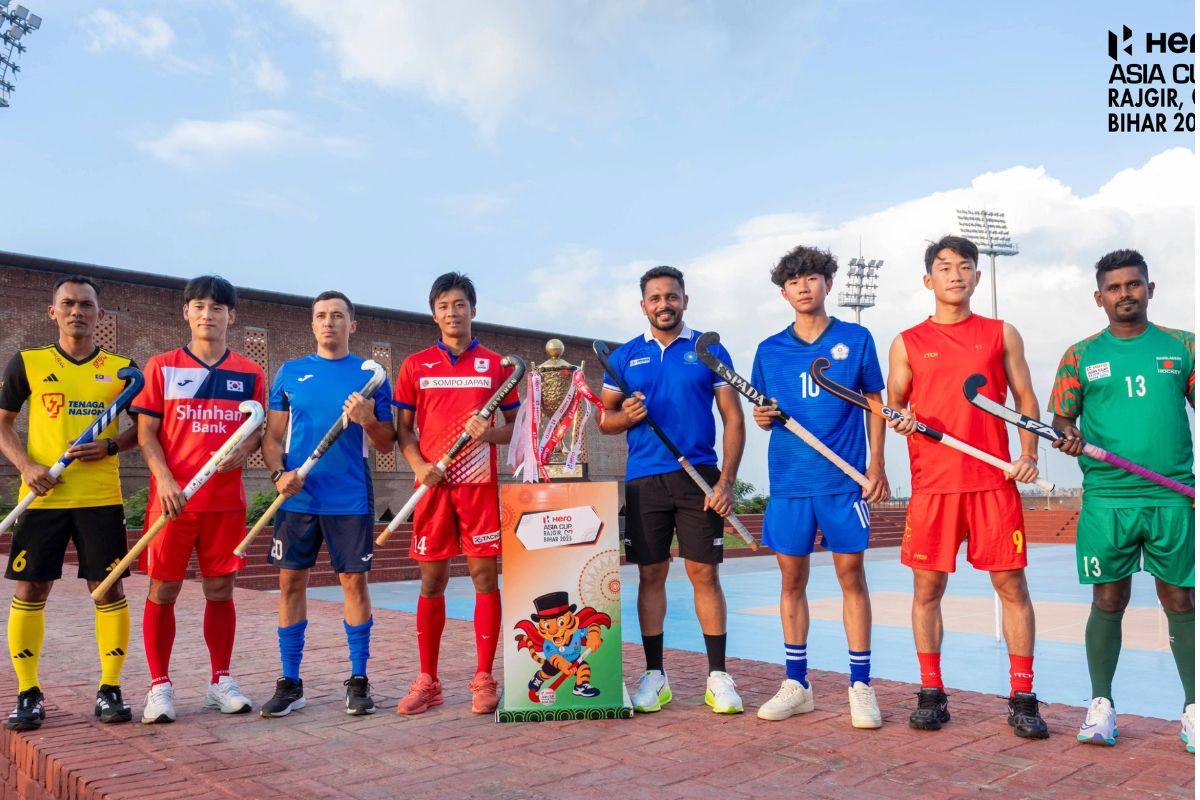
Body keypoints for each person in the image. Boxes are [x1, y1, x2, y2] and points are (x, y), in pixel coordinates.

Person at [887, 236, 1048, 738]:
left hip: (992, 481)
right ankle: (931, 693)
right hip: (933, 486)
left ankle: (1023, 696)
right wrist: (903, 419)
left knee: (1012, 587)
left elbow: (1024, 398)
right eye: (944, 267)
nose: (955, 275)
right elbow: (895, 405)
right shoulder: (907, 341)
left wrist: (1028, 454)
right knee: (927, 589)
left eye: (965, 267)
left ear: (978, 276)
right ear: (927, 280)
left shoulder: (1002, 334)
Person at [1047, 249, 1195, 752]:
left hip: (1171, 497)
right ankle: (1102, 706)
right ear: (1099, 297)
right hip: (1108, 498)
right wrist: (1065, 435)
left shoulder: (1183, 346)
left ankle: (1193, 709)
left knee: (1179, 599)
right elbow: (1062, 420)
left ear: (1150, 289)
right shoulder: (1079, 355)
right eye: (1114, 287)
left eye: (1134, 285)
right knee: (1109, 599)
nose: (1125, 294)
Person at [749, 246, 889, 728]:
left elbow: (875, 404)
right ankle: (797, 683)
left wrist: (877, 465)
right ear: (783, 291)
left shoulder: (856, 337)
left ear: (828, 283)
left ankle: (861, 686)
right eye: (793, 281)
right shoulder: (769, 350)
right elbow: (762, 412)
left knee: (852, 578)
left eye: (812, 277)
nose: (803, 287)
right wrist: (763, 416)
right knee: (791, 581)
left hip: (844, 482)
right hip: (789, 482)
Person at [600, 265, 746, 714]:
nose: (664, 304)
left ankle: (718, 676)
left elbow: (734, 419)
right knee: (651, 574)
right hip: (645, 479)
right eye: (655, 298)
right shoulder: (624, 356)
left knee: (705, 574)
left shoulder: (708, 349)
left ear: (685, 300)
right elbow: (607, 421)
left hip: (698, 476)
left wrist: (727, 481)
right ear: (643, 305)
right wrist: (629, 416)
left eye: (672, 296)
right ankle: (654, 675)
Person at [0, 276, 140, 730]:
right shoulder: (28, 363)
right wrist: (25, 465)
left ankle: (110, 688)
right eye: (68, 304)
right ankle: (27, 692)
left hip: (101, 498)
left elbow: (146, 428)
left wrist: (112, 446)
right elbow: (2, 425)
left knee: (107, 590)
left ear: (99, 314)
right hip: (43, 499)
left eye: (86, 304)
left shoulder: (122, 369)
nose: (77, 311)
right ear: (52, 312)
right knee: (31, 589)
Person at [130, 275, 266, 724]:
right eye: (199, 306)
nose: (208, 315)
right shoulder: (163, 366)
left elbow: (258, 431)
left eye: (217, 308)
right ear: (186, 312)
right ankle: (159, 686)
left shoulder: (249, 373)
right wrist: (165, 479)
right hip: (173, 502)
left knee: (220, 588)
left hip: (225, 503)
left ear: (232, 316)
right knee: (163, 589)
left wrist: (243, 452)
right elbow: (147, 433)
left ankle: (220, 681)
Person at [260, 291, 395, 718]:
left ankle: (358, 680)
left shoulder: (370, 375)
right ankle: (290, 681)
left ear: (352, 324)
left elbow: (386, 441)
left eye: (338, 316)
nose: (329, 322)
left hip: (349, 497)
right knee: (289, 584)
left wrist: (368, 419)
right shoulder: (291, 373)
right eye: (321, 316)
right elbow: (271, 439)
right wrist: (278, 475)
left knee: (354, 585)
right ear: (312, 324)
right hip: (299, 496)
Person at [392, 272, 519, 715]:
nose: (453, 312)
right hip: (433, 487)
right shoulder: (415, 365)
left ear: (473, 310)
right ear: (434, 314)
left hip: (479, 487)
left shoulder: (497, 365)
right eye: (444, 305)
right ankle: (428, 679)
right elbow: (403, 432)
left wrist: (491, 432)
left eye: (460, 304)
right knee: (432, 580)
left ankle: (484, 676)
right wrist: (419, 466)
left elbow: (516, 430)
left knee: (485, 578)